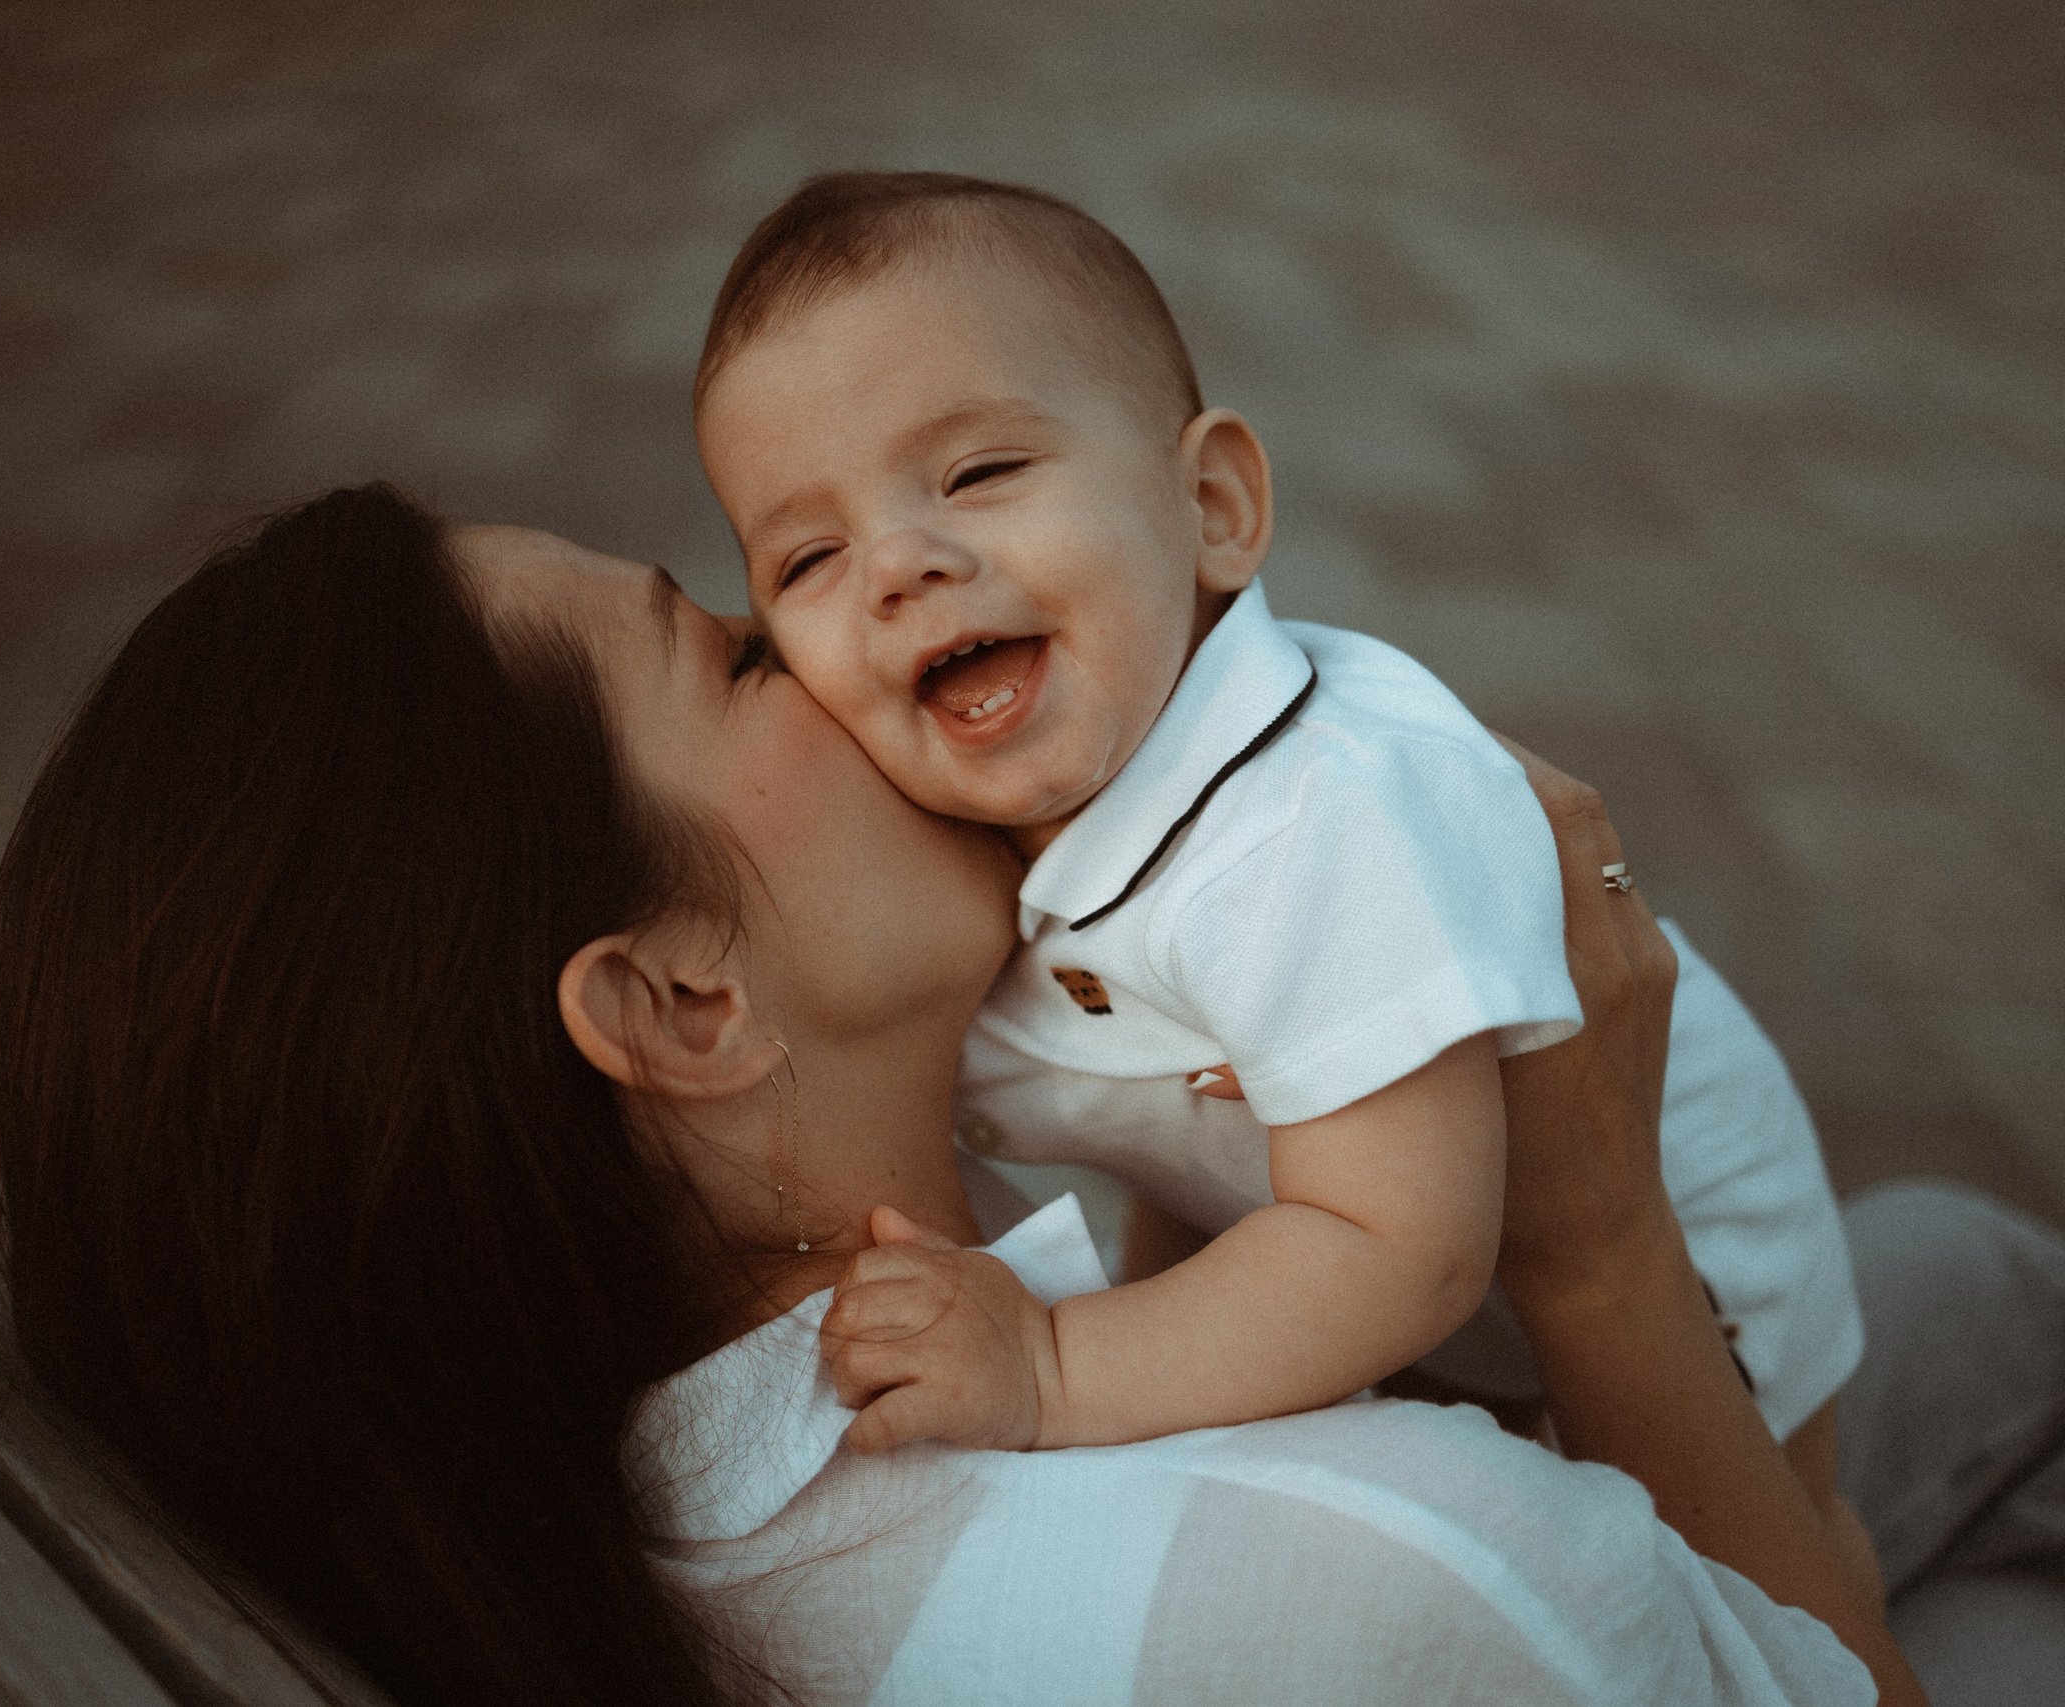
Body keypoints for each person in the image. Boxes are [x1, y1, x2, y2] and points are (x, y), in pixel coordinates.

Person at [0, 483, 2048, 1705]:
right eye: (727, 652)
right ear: (683, 1001)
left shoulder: (592, 1534)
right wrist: (1596, 1246)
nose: (836, 639)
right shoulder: (1392, 1589)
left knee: (1958, 1265)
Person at [689, 171, 1859, 1465]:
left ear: (1213, 509)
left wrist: (1059, 1364)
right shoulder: (1069, 812)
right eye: (808, 559)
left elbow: (1396, 1249)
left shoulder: (1314, 816)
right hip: (1457, 1307)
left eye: (978, 471)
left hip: (1701, 1285)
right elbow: (1193, 1163)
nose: (901, 565)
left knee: (1771, 1598)